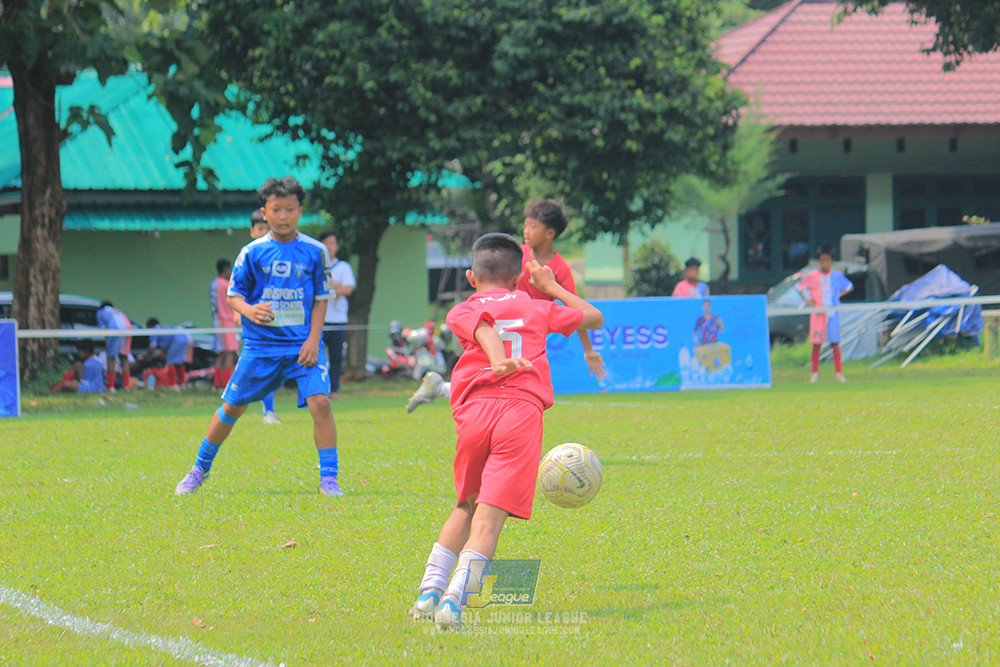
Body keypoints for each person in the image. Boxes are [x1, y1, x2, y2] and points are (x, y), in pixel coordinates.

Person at [407, 232, 604, 630]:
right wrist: (552, 288)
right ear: (518, 278)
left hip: (474, 414)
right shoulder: (536, 304)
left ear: (471, 276)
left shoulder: (462, 308)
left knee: (465, 504)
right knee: (489, 520)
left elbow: (482, 326)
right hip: (520, 414)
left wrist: (493, 360)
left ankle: (429, 593)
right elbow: (594, 316)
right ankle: (455, 601)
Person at [175, 176, 342, 497]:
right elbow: (234, 296)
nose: (283, 216)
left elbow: (322, 298)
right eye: (276, 209)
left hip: (302, 346)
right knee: (232, 408)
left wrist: (312, 340)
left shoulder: (315, 251)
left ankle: (329, 480)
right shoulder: (251, 253)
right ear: (264, 212)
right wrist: (250, 311)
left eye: (290, 209)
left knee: (321, 404)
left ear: (300, 211)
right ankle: (199, 469)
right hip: (260, 346)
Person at [406, 199, 605, 413]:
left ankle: (443, 388)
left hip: (524, 335)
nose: (526, 230)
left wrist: (589, 350)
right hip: (492, 325)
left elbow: (576, 309)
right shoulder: (510, 256)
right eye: (526, 224)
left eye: (533, 226)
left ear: (550, 234)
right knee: (502, 384)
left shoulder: (558, 268)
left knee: (500, 384)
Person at [797, 246, 853, 383]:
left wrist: (838, 296)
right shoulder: (813, 276)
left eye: (827, 260)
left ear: (831, 261)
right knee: (816, 344)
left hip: (832, 313)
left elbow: (849, 286)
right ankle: (814, 373)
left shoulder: (837, 276)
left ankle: (838, 373)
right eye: (822, 261)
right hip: (818, 313)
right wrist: (808, 301)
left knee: (835, 343)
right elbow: (799, 287)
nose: (824, 263)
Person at [250, 209, 281, 424]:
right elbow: (237, 293)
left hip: (273, 320)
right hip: (252, 322)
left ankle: (268, 411)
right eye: (260, 228)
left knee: (268, 366)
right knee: (257, 368)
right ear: (252, 231)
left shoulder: (277, 257)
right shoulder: (248, 256)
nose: (264, 233)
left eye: (267, 229)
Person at [318, 230, 355, 400]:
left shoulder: (343, 267)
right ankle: (317, 390)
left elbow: (347, 288)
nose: (329, 246)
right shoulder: (315, 266)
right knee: (317, 358)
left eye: (332, 243)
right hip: (319, 320)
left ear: (337, 247)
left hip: (338, 320)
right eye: (325, 243)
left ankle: (334, 390)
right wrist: (334, 287)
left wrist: (331, 288)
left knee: (336, 358)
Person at [139, 318, 192, 389]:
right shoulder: (163, 329)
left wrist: (147, 356)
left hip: (177, 338)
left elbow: (152, 347)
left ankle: (173, 385)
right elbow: (165, 351)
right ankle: (182, 384)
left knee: (171, 363)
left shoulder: (154, 331)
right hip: (186, 336)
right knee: (180, 362)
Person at [210, 258, 239, 390]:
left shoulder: (214, 283)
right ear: (226, 270)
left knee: (221, 353)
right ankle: (226, 384)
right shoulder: (224, 285)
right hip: (225, 321)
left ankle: (217, 383)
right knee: (229, 352)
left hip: (217, 320)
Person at [96, 301, 132, 391]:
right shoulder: (117, 311)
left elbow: (104, 330)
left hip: (114, 328)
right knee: (124, 357)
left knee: (110, 358)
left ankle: (111, 387)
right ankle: (126, 386)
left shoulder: (100, 312)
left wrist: (107, 344)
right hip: (128, 327)